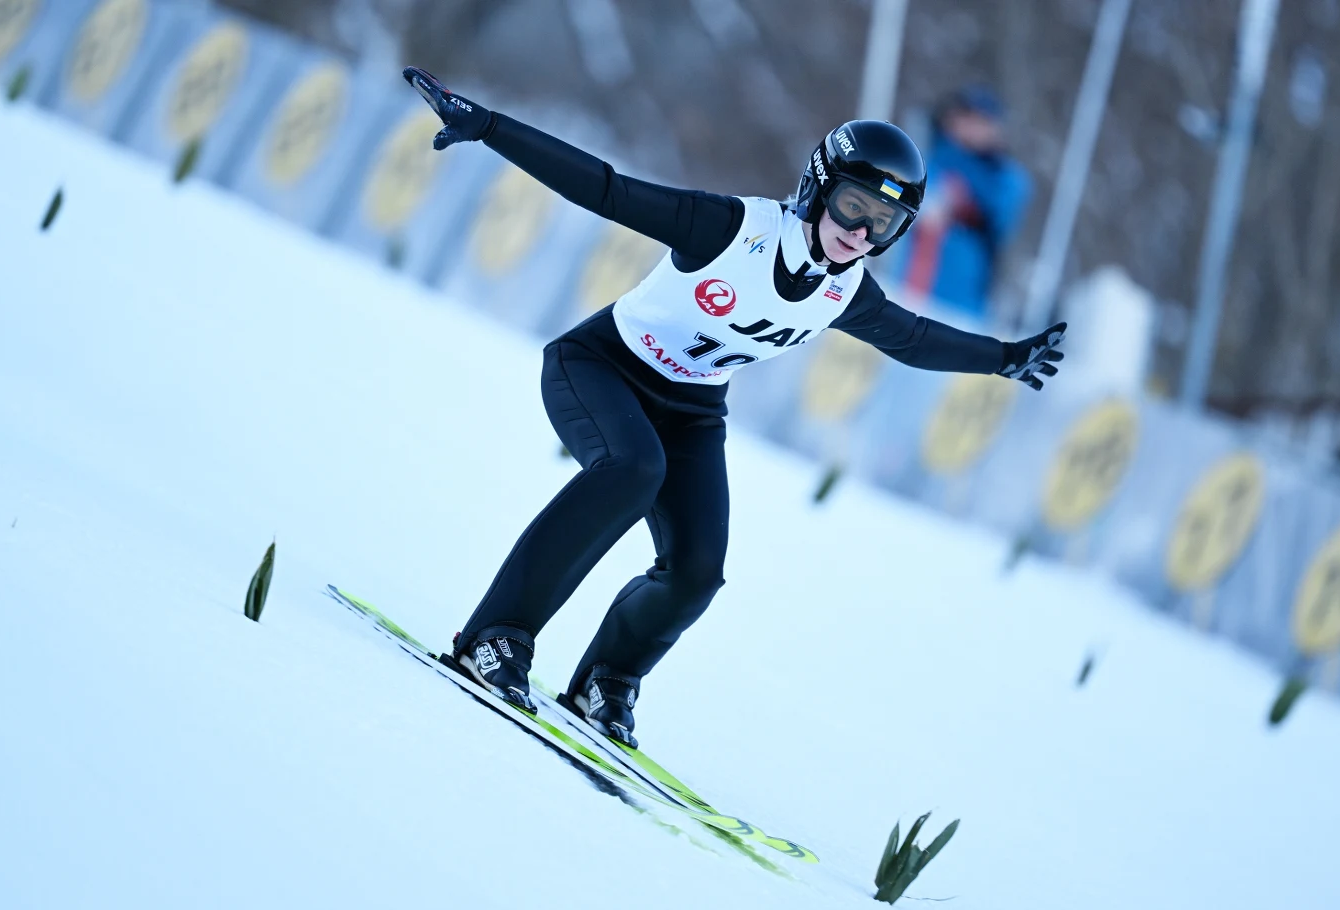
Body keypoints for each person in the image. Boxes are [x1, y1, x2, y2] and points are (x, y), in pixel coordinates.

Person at [403, 67, 1064, 748]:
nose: (861, 234)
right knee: (632, 470)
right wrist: (489, 127)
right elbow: (605, 188)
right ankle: (495, 638)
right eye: (853, 207)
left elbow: (914, 338)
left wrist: (1004, 357)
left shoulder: (845, 292)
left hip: (691, 412)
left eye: (884, 223)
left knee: (697, 569)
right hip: (600, 368)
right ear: (818, 188)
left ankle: (607, 680)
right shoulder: (729, 227)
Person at [883, 85, 1030, 327]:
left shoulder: (1004, 177)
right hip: (904, 286)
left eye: (980, 121)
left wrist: (961, 206)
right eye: (965, 117)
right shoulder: (923, 156)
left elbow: (1002, 219)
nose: (970, 127)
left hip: (960, 302)